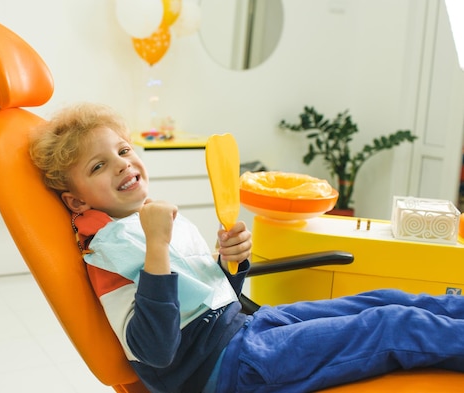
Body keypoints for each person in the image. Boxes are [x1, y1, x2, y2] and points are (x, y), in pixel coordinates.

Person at [30, 102, 464, 393]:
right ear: (77, 201)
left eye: (123, 150)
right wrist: (158, 246)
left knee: (381, 300)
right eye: (99, 165)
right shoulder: (109, 256)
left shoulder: (142, 221)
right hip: (228, 366)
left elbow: (209, 295)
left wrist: (229, 262)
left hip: (242, 326)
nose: (123, 163)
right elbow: (156, 351)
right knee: (389, 324)